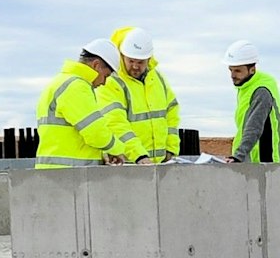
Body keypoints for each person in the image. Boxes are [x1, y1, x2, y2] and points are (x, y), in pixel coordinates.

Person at [34, 39, 154, 169]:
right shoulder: (76, 86)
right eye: (106, 76)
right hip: (68, 175)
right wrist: (118, 149)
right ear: (96, 65)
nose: (104, 83)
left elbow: (76, 135)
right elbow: (95, 132)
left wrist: (103, 152)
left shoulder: (61, 81)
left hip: (56, 173)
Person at [98, 26, 181, 160]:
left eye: (140, 62)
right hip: (128, 167)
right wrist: (138, 155)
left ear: (149, 59)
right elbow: (115, 123)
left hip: (158, 166)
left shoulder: (157, 79)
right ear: (122, 56)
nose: (135, 66)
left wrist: (171, 147)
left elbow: (171, 113)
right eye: (131, 61)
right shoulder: (111, 82)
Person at [225, 39, 280, 163]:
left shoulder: (261, 90)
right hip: (252, 161)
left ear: (252, 69)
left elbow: (254, 126)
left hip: (266, 163)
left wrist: (238, 156)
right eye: (230, 70)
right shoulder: (246, 86)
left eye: (237, 71)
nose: (232, 75)